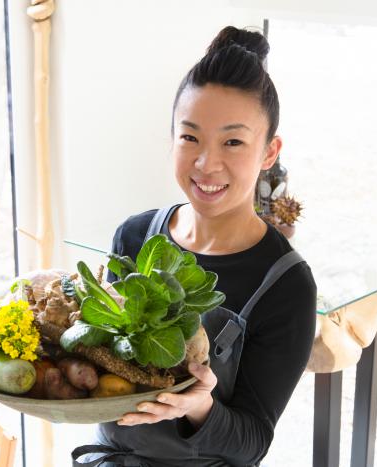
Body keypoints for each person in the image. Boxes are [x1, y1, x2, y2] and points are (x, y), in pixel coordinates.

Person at [73, 26, 317, 467]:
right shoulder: (134, 237)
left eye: (233, 142)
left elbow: (253, 441)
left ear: (269, 152)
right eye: (190, 137)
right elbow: (101, 363)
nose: (207, 164)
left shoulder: (285, 283)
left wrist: (198, 407)